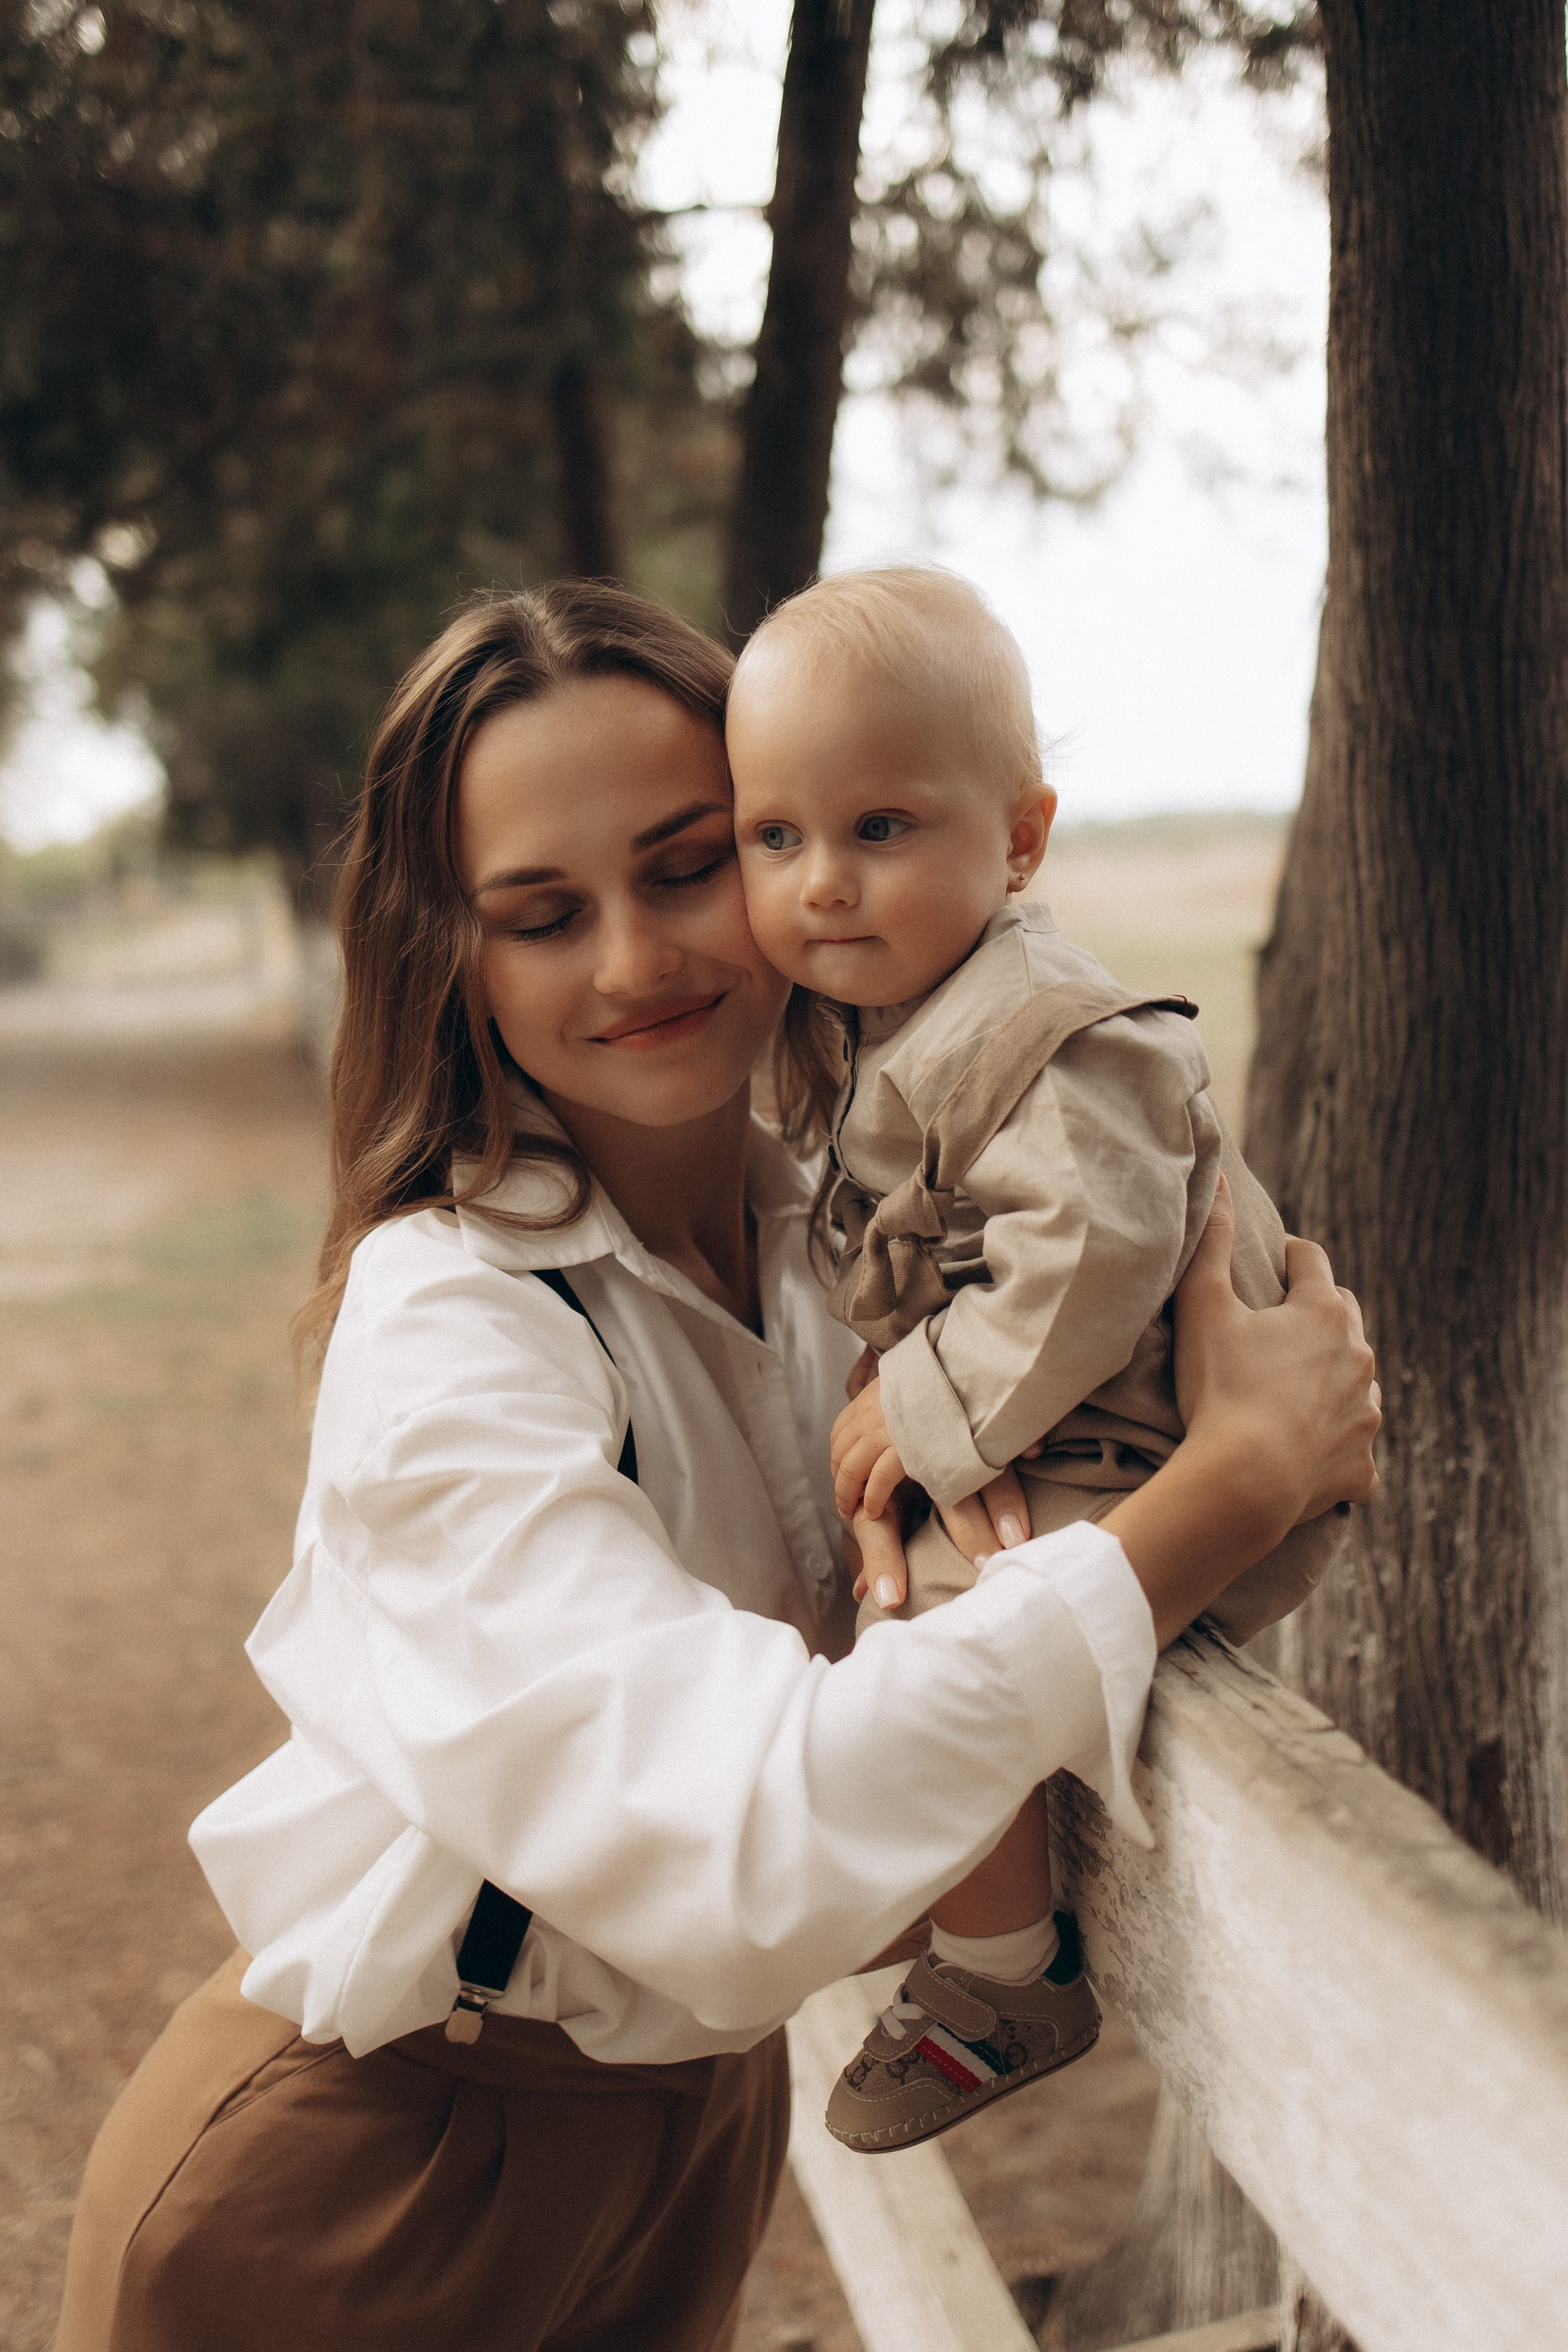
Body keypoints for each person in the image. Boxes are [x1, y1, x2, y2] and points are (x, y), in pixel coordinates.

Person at [54, 582, 1379, 2352]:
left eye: (688, 866)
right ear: (454, 954)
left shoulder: (847, 1249)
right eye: (540, 914)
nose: (636, 961)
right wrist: (1226, 1491)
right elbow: (754, 1839)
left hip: (696, 2133)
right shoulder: (448, 1323)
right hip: (371, 2174)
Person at [725, 564, 1347, 2152]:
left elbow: (1086, 1253)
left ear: (1019, 837)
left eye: (880, 829)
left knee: (939, 1644)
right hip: (1089, 1427)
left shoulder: (1054, 1025)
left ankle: (1004, 1977)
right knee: (905, 1640)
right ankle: (982, 1939)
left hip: (1153, 1429)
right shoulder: (902, 1022)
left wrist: (922, 1406)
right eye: (774, 837)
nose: (821, 884)